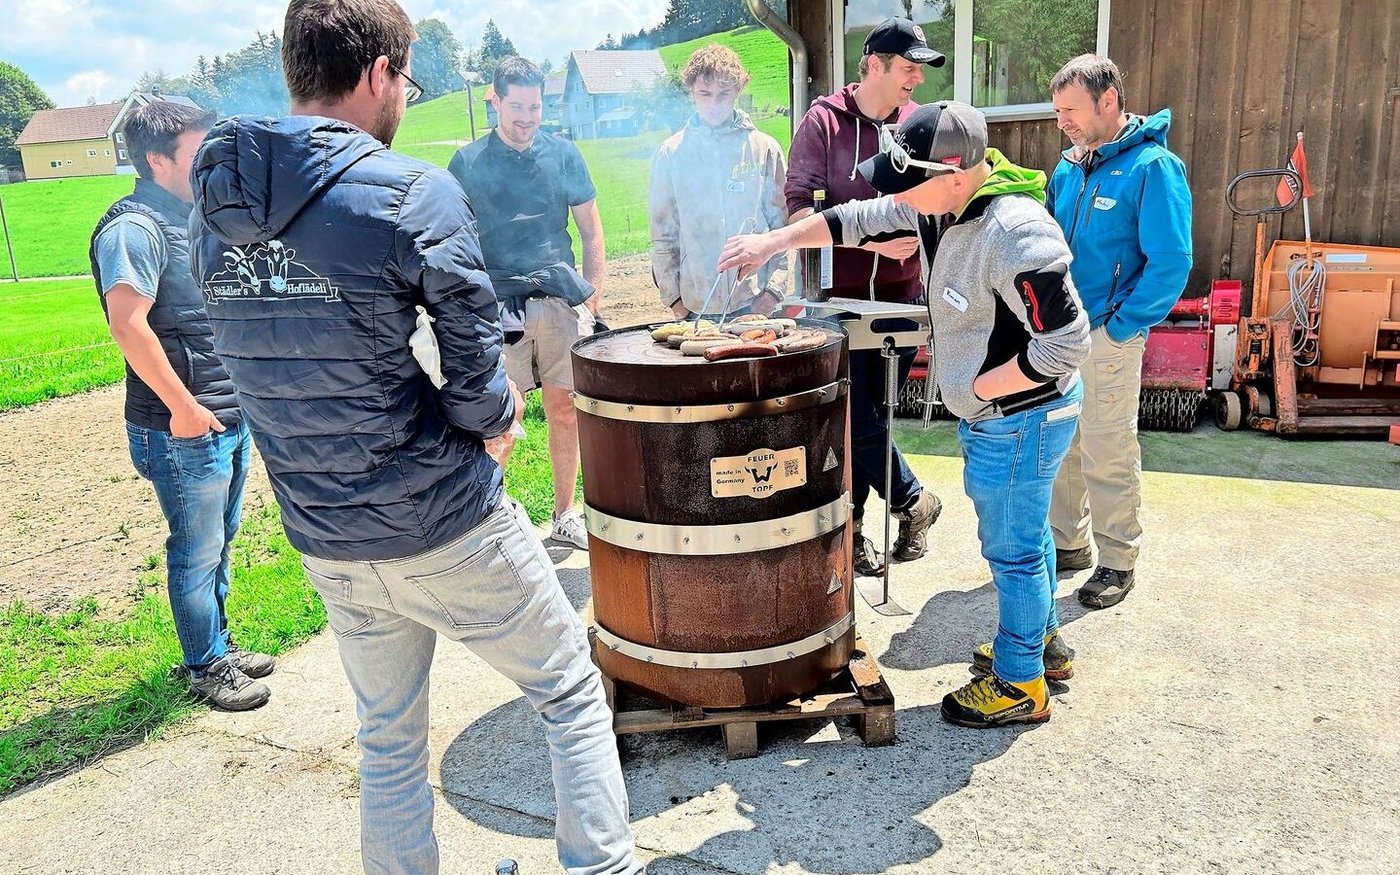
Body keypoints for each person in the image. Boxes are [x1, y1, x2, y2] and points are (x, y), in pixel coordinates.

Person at [187, 2, 642, 872]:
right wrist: (501, 425)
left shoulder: (215, 209)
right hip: (442, 520)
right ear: (378, 74)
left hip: (324, 531)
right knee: (570, 688)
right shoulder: (407, 189)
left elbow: (247, 355)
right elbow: (477, 371)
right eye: (406, 77)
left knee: (388, 740)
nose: (405, 96)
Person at [721, 100, 1091, 728]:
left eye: (907, 184)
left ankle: (1022, 681)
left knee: (1014, 548)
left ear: (949, 172)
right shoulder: (942, 202)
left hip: (1021, 416)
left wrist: (981, 390)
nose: (898, 198)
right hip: (1001, 414)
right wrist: (775, 241)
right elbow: (857, 217)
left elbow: (1068, 340)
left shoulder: (1015, 232)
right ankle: (1041, 645)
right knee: (1024, 535)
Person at [90, 100, 274, 712]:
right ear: (157, 159)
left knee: (219, 540)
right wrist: (186, 409)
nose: (211, 163)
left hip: (222, 412)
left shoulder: (191, 218)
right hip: (182, 426)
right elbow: (129, 325)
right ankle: (203, 665)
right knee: (196, 548)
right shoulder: (133, 228)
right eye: (198, 153)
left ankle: (215, 646)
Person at [784, 17, 945, 576]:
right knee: (847, 417)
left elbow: (942, 199)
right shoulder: (823, 122)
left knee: (872, 417)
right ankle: (912, 501)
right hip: (837, 301)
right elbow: (798, 205)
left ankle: (859, 531)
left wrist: (921, 243)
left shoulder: (917, 124)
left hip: (903, 300)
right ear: (873, 64)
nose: (916, 80)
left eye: (920, 69)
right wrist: (873, 248)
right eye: (908, 68)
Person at [1045, 55, 1193, 609]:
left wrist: (1123, 327)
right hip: (1060, 333)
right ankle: (1068, 544)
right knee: (1061, 445)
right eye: (1057, 112)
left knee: (1107, 448)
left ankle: (1117, 559)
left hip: (1108, 334)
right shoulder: (1068, 168)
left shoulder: (1153, 168)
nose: (1063, 122)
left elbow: (1171, 262)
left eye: (1072, 110)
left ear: (1109, 101)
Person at [447, 56, 604, 550]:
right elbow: (452, 239)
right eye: (516, 106)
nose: (526, 117)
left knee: (565, 410)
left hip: (560, 302)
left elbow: (592, 231)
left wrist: (592, 297)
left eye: (534, 107)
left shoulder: (564, 155)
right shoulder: (468, 163)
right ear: (495, 100)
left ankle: (565, 515)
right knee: (498, 417)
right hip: (496, 306)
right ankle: (492, 525)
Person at [650, 43, 789, 319]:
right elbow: (662, 235)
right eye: (705, 94)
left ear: (738, 91)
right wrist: (676, 302)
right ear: (692, 93)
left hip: (753, 303)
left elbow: (782, 227)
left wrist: (773, 292)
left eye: (724, 95)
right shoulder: (671, 153)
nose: (714, 104)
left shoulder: (764, 149)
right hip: (694, 306)